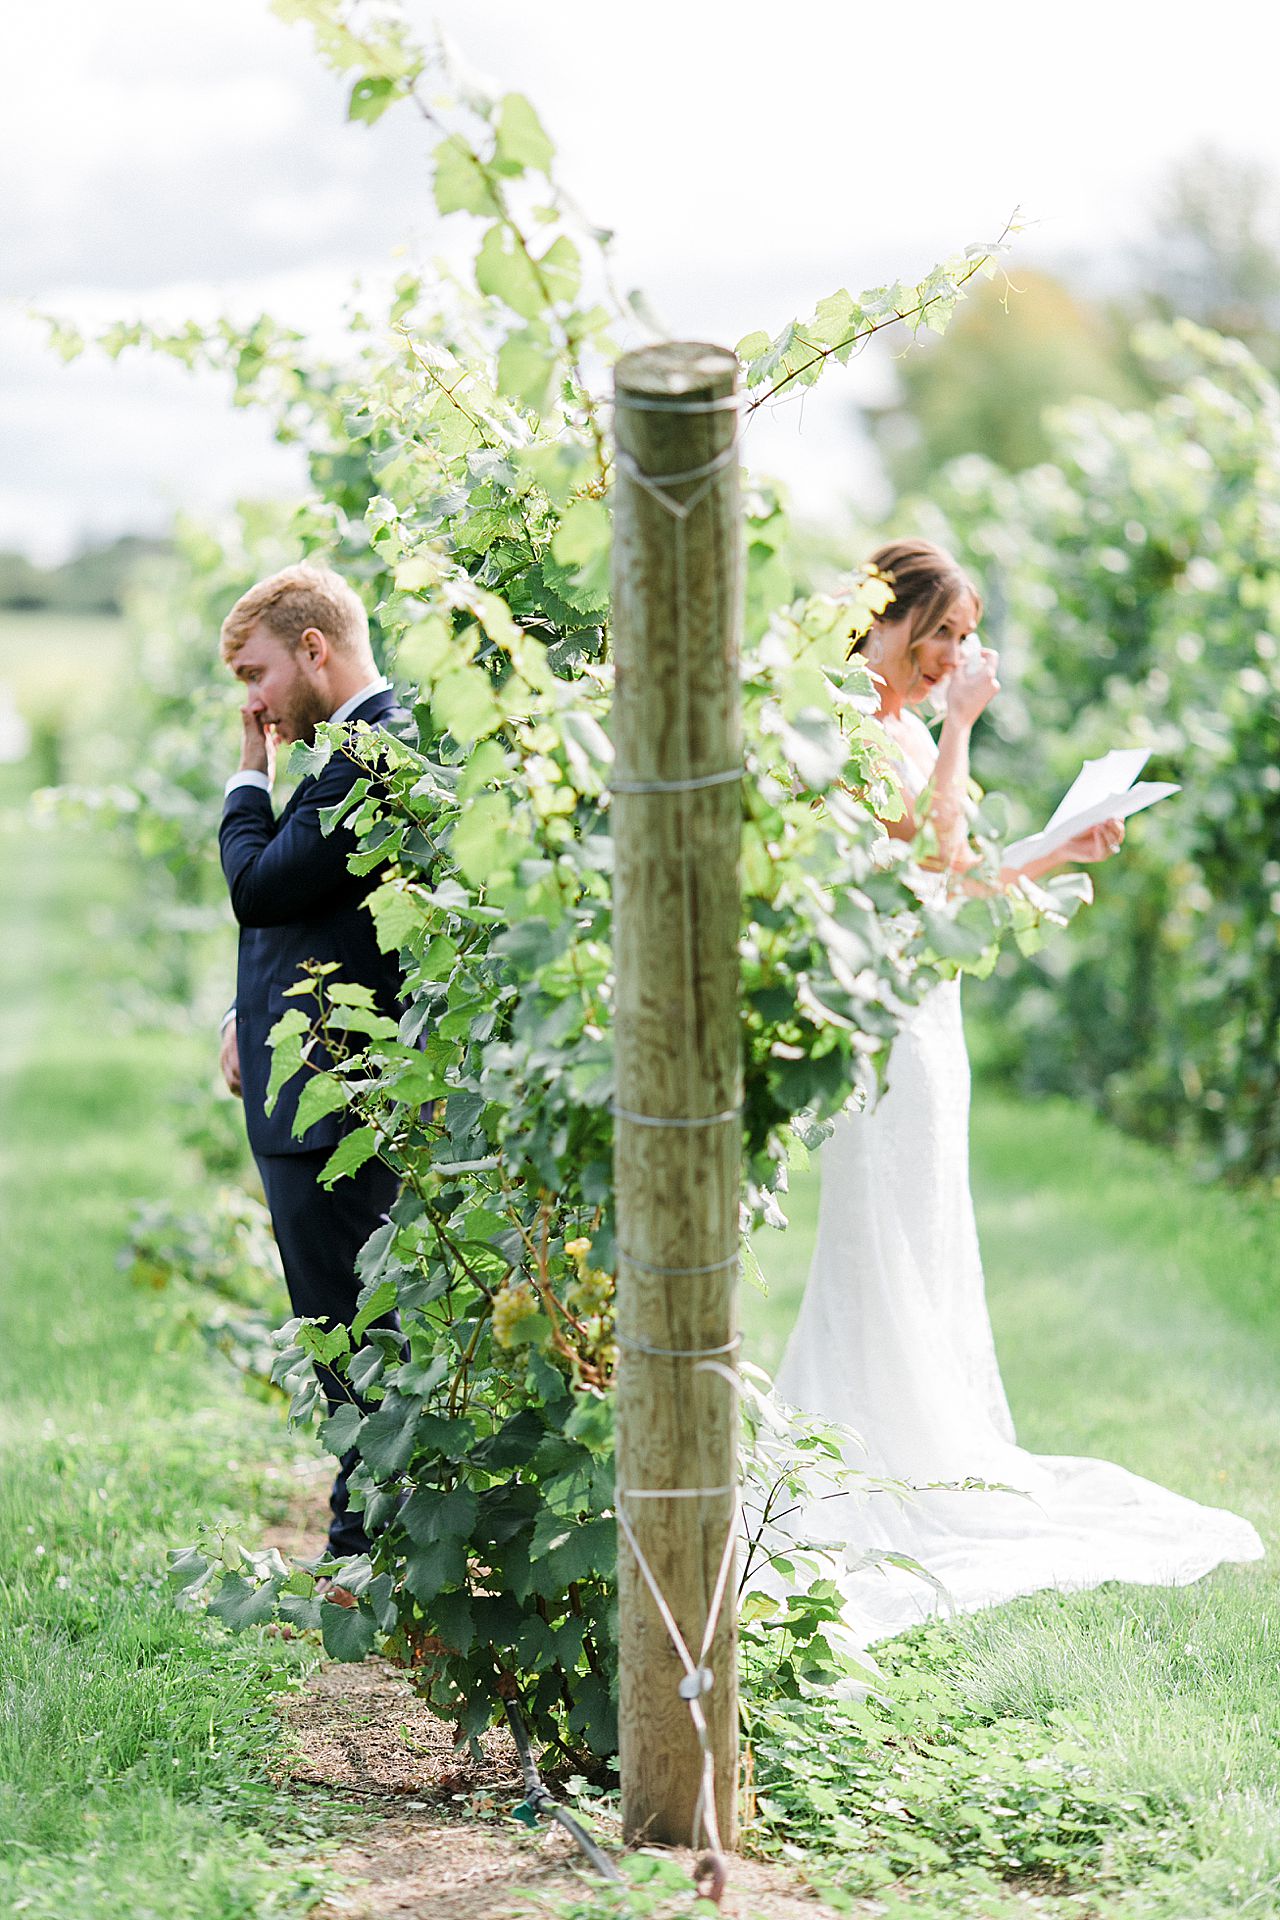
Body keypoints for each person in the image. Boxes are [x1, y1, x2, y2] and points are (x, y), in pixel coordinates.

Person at [774, 538, 1263, 1647]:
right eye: (934, 629)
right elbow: (932, 862)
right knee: (879, 1234)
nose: (950, 652)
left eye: (960, 632)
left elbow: (953, 879)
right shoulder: (859, 731)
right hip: (884, 1016)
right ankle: (868, 1453)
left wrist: (1053, 845)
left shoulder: (903, 728)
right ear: (881, 623)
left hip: (922, 1010)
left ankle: (923, 1440)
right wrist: (960, 728)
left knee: (927, 1231)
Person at [217, 563, 407, 1562]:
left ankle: (364, 1542)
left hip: (336, 1092)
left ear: (313, 650)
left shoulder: (375, 754)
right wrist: (237, 1012)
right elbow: (307, 914)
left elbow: (257, 888)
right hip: (306, 1077)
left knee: (348, 1323)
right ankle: (362, 1530)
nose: (250, 701)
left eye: (254, 674)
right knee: (332, 1316)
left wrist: (247, 773)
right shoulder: (341, 755)